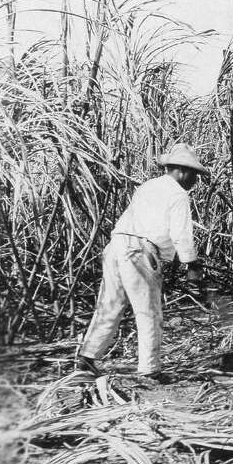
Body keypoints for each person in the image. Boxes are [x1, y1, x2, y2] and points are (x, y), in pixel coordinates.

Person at [75, 144, 210, 381]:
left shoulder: (148, 187)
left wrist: (172, 259)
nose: (195, 181)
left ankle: (87, 358)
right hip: (139, 252)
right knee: (148, 312)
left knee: (109, 305)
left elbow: (149, 224)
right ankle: (150, 370)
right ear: (182, 171)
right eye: (194, 175)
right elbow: (181, 235)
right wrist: (193, 266)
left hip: (116, 247)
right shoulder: (178, 194)